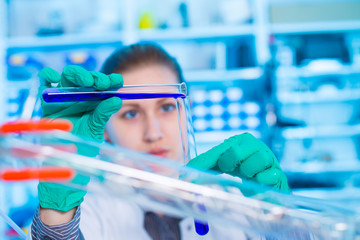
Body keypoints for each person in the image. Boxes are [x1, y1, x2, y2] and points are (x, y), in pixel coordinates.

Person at [31, 43, 290, 240]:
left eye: (166, 107)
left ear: (185, 111)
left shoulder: (236, 200)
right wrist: (57, 218)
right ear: (105, 130)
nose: (153, 133)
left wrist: (282, 220)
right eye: (131, 114)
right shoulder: (91, 211)